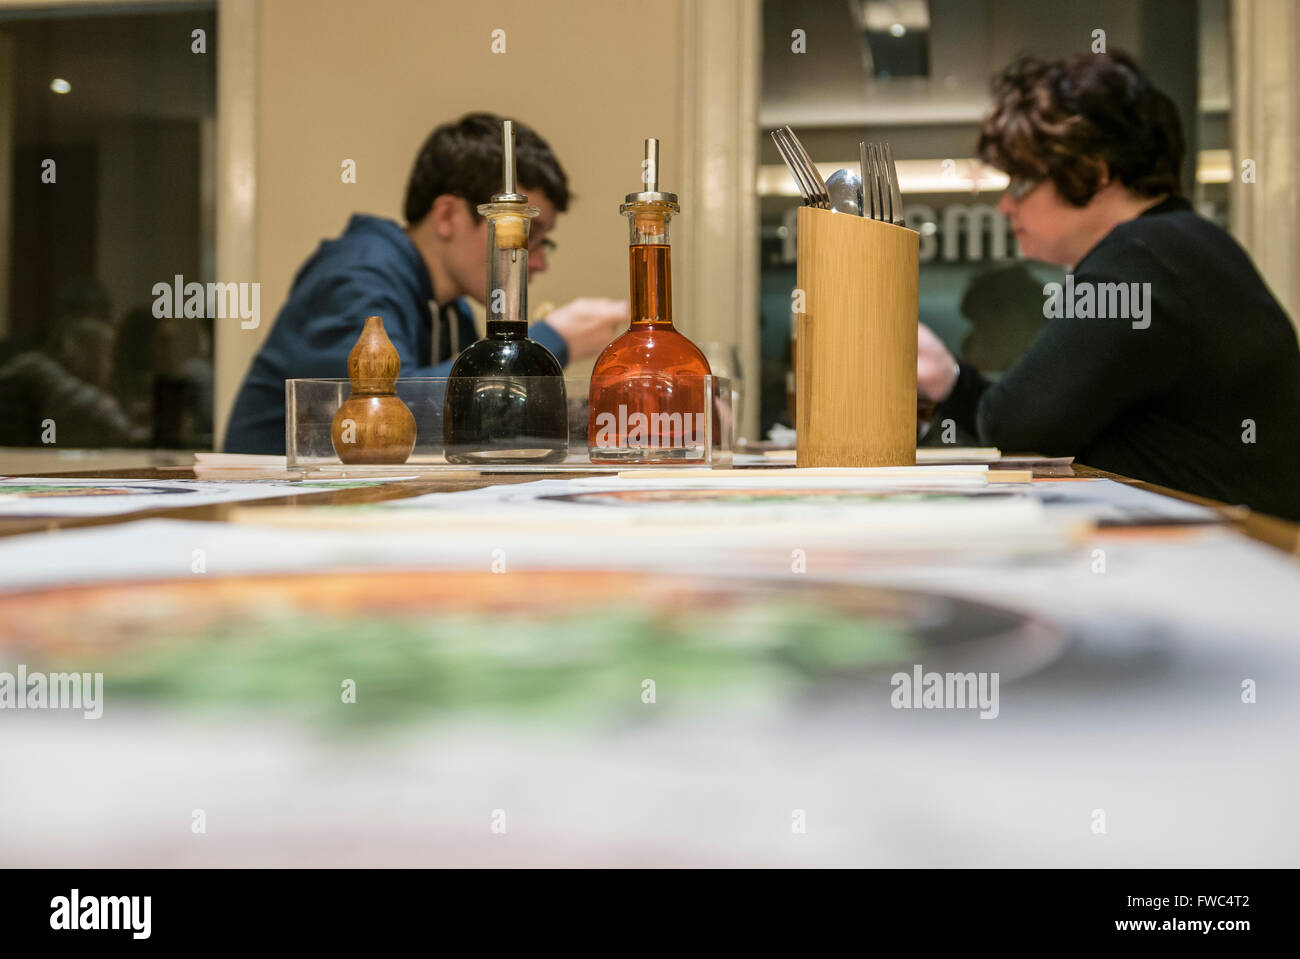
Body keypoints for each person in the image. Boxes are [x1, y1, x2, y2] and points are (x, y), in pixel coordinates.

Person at [917, 52, 1300, 520]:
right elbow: (1035, 418)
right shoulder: (1180, 244)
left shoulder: (1138, 256)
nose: (1004, 206)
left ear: (1094, 171)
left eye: (1021, 183)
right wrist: (948, 378)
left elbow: (1018, 424)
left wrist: (956, 386)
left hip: (1229, 563)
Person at [225, 112, 627, 454]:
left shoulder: (450, 313)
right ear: (448, 215)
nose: (535, 261)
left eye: (540, 239)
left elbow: (483, 420)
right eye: (522, 233)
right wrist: (552, 339)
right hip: (273, 509)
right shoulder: (357, 273)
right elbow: (384, 416)